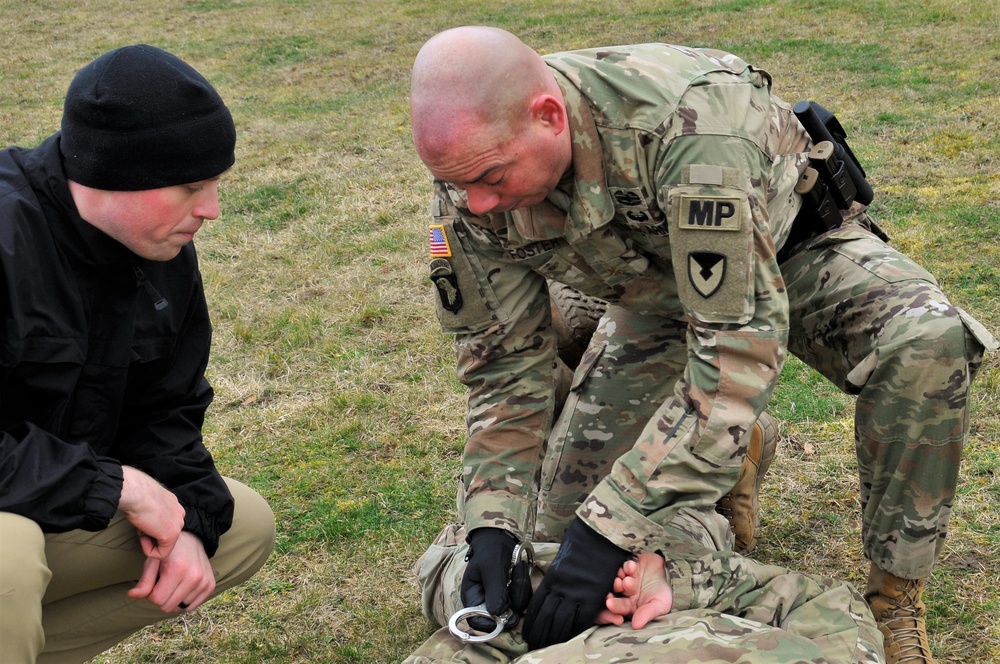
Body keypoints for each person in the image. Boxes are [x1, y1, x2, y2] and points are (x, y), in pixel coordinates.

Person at [409, 26, 997, 663]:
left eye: (492, 178)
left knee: (925, 340)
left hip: (792, 254)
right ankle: (728, 465)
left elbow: (736, 351)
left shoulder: (686, 128)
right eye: (460, 185)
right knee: (555, 535)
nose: (478, 203)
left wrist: (613, 524)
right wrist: (492, 522)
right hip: (656, 295)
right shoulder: (471, 173)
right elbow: (503, 366)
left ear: (548, 116)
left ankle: (896, 598)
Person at [0, 44, 276, 663]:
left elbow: (164, 407)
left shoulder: (157, 246)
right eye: (190, 187)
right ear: (111, 172)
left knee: (237, 527)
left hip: (43, 495)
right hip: (13, 523)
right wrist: (117, 486)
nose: (210, 210)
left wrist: (186, 519)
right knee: (7, 555)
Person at [404, 507, 885, 662]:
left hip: (551, 585)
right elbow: (823, 603)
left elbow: (470, 634)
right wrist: (672, 583)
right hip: (676, 558)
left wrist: (489, 544)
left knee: (470, 573)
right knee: (686, 525)